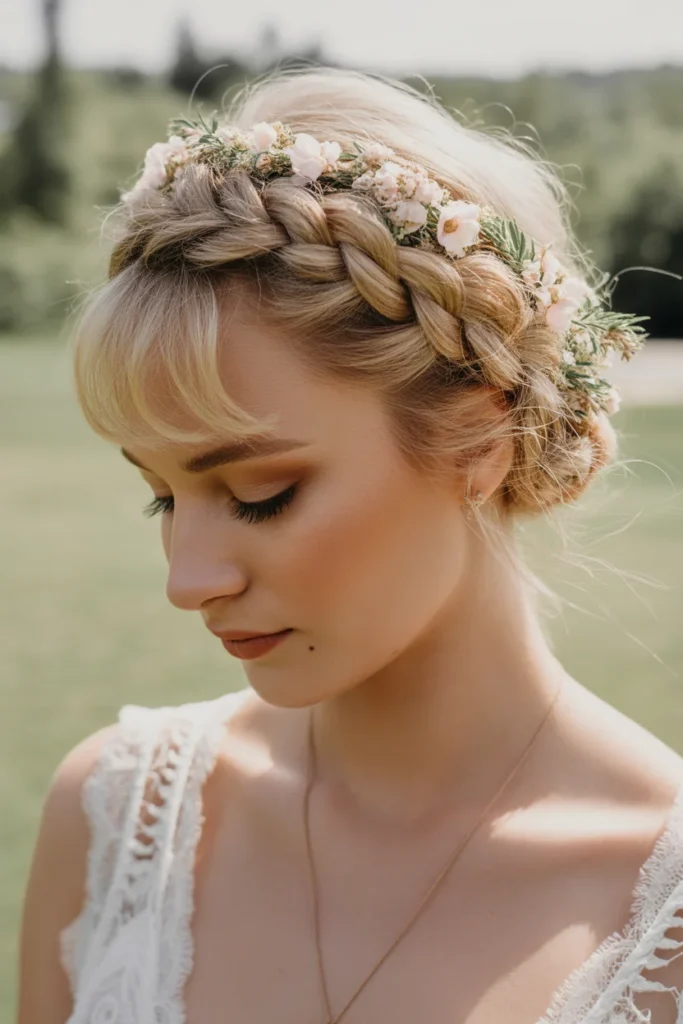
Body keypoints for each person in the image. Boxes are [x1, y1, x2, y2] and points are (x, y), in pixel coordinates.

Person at [16, 65, 683, 1024]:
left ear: (480, 441)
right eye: (161, 498)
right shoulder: (119, 823)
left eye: (260, 495)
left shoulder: (655, 912)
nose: (187, 581)